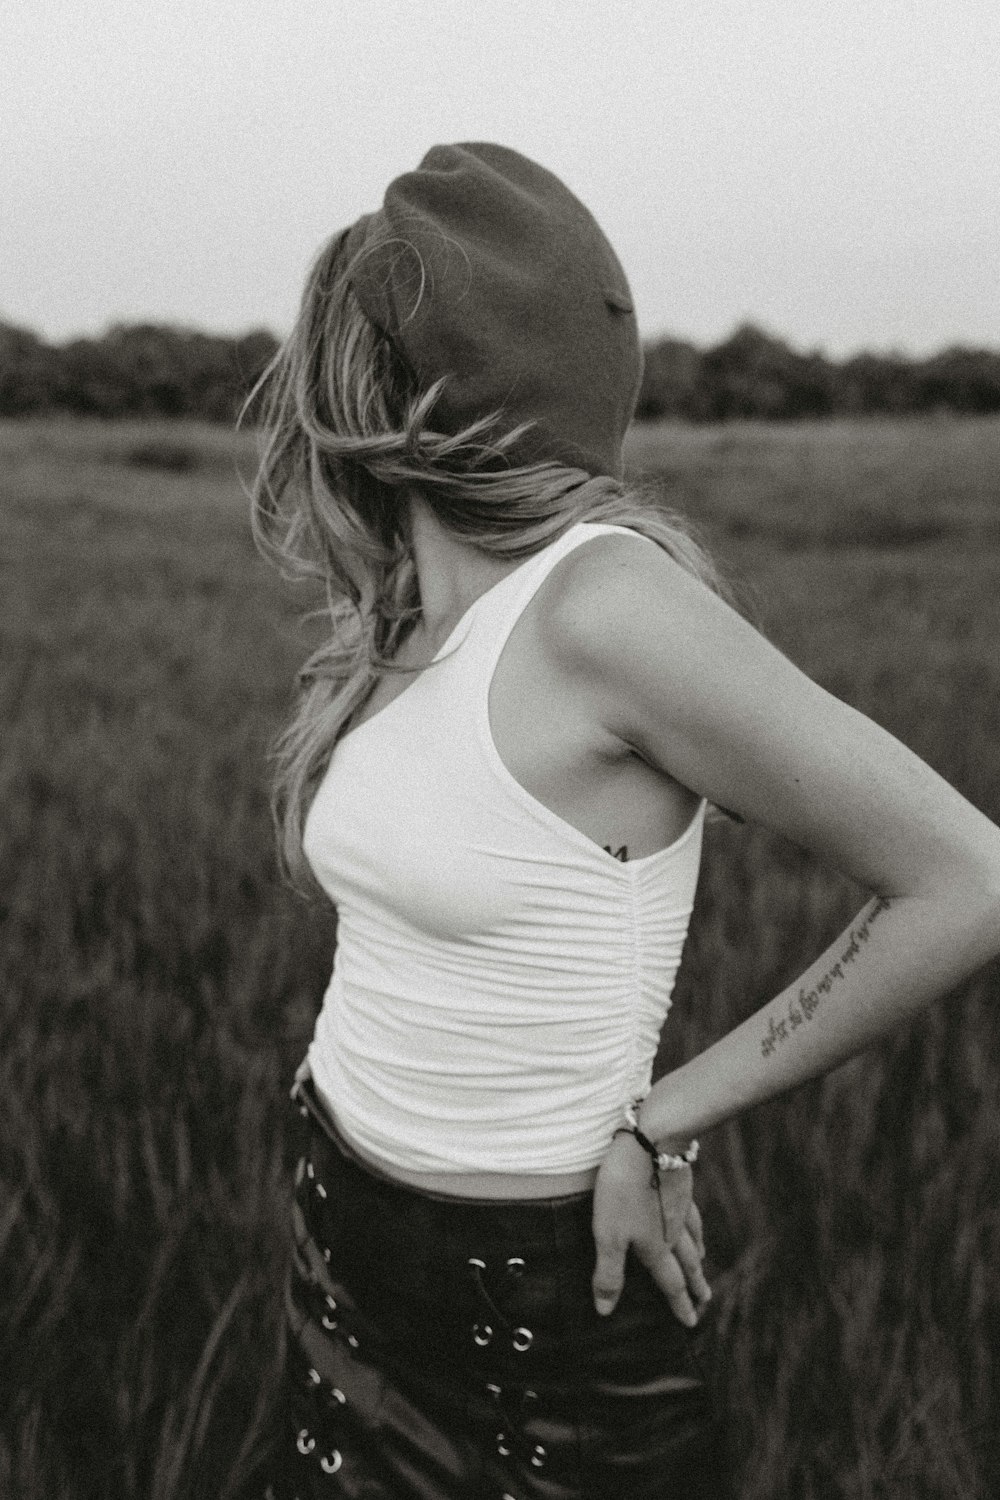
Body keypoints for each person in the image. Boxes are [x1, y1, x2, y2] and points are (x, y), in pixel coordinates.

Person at [250, 143, 1000, 1499]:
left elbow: (966, 879)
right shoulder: (405, 624)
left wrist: (665, 1123)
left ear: (358, 381)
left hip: (528, 1293)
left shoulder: (604, 608)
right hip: (339, 1213)